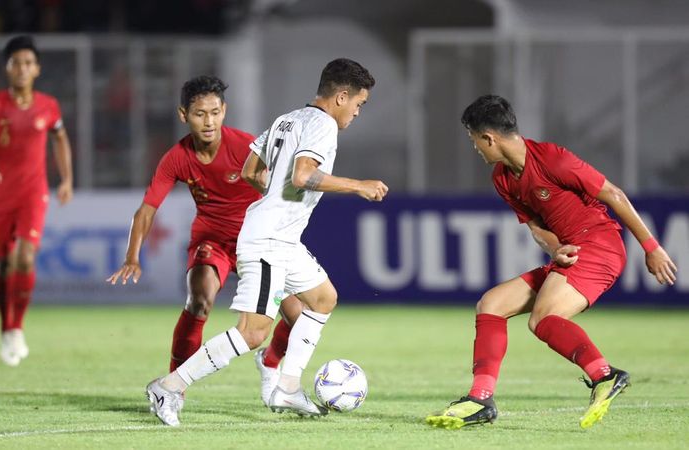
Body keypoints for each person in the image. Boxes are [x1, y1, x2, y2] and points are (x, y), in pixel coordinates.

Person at [144, 58, 387, 427]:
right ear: (341, 96)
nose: (357, 112)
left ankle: (287, 387)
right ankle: (169, 386)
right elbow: (304, 175)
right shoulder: (322, 126)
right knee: (254, 332)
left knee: (323, 298)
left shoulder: (288, 118)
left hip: (281, 236)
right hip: (269, 239)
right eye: (358, 103)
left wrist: (274, 197)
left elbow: (250, 171)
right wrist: (358, 186)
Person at [426, 94, 678, 430]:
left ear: (489, 138)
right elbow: (536, 228)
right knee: (491, 304)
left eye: (475, 142)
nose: (476, 149)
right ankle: (480, 398)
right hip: (572, 252)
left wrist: (652, 247)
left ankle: (605, 375)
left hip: (600, 245)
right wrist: (555, 247)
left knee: (543, 318)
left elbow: (614, 195)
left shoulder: (553, 159)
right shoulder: (502, 179)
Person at [106, 75, 301, 406]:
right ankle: (173, 389)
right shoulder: (177, 157)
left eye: (214, 112)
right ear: (184, 115)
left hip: (256, 243)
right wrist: (132, 256)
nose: (208, 121)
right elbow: (147, 209)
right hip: (211, 239)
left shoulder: (247, 148)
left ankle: (270, 360)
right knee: (199, 301)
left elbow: (284, 190)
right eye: (199, 113)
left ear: (224, 111)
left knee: (298, 317)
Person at [0, 35, 73, 367]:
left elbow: (60, 138)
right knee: (4, 263)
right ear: (7, 68)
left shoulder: (49, 105)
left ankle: (17, 328)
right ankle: (5, 328)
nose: (21, 69)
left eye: (27, 63)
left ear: (36, 69)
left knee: (24, 257)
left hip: (34, 193)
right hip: (1, 194)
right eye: (15, 63)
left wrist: (66, 179)